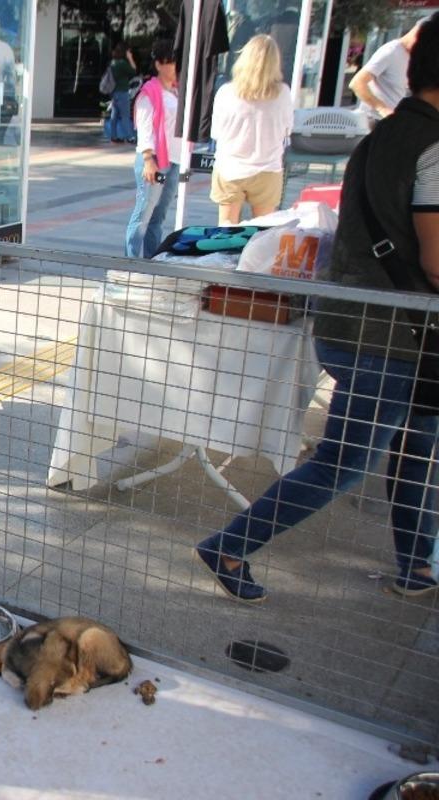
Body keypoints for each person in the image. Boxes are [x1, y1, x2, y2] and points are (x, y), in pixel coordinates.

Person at [194, 12, 439, 603]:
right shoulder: (428, 145)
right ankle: (229, 544)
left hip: (365, 324)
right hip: (390, 335)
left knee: (417, 448)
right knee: (347, 463)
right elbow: (435, 261)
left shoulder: (383, 136)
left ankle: (416, 565)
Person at [209, 34, 294, 224]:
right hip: (268, 167)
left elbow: (216, 133)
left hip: (230, 167)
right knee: (261, 231)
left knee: (226, 229)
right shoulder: (283, 94)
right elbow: (287, 130)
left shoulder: (226, 93)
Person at [124, 40, 181, 259]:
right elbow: (145, 128)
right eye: (170, 62)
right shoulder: (149, 92)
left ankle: (151, 261)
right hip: (155, 160)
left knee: (159, 215)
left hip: (174, 159)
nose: (175, 67)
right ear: (158, 64)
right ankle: (131, 262)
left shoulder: (177, 91)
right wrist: (148, 159)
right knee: (144, 213)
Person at [351, 18, 425, 125]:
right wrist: (382, 108)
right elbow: (357, 83)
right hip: (374, 122)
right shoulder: (391, 51)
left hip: (396, 123)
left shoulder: (416, 57)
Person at [105, 42, 137, 144]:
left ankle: (113, 136)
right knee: (125, 115)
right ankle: (130, 136)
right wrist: (130, 58)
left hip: (114, 92)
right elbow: (133, 70)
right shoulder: (122, 63)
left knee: (114, 115)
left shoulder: (112, 62)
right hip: (122, 92)